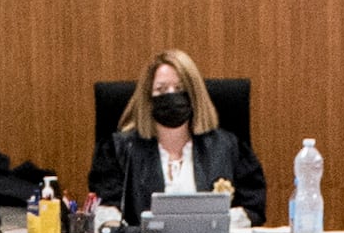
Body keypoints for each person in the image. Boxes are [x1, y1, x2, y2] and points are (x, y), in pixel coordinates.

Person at [90, 49, 256, 212]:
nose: (171, 96)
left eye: (179, 88)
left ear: (194, 95)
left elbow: (252, 205)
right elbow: (107, 208)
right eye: (161, 89)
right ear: (148, 98)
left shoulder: (227, 146)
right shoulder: (120, 150)